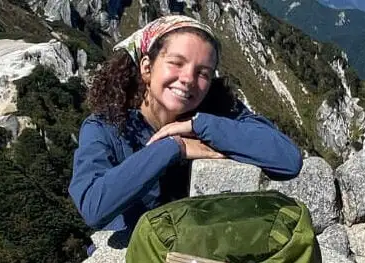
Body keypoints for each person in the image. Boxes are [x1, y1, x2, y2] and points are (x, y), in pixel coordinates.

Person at [68, 15, 303, 245]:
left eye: (203, 73)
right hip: (134, 257)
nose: (189, 79)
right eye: (176, 63)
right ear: (147, 67)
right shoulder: (105, 127)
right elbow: (93, 207)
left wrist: (199, 125)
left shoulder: (216, 114)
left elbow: (288, 160)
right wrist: (174, 147)